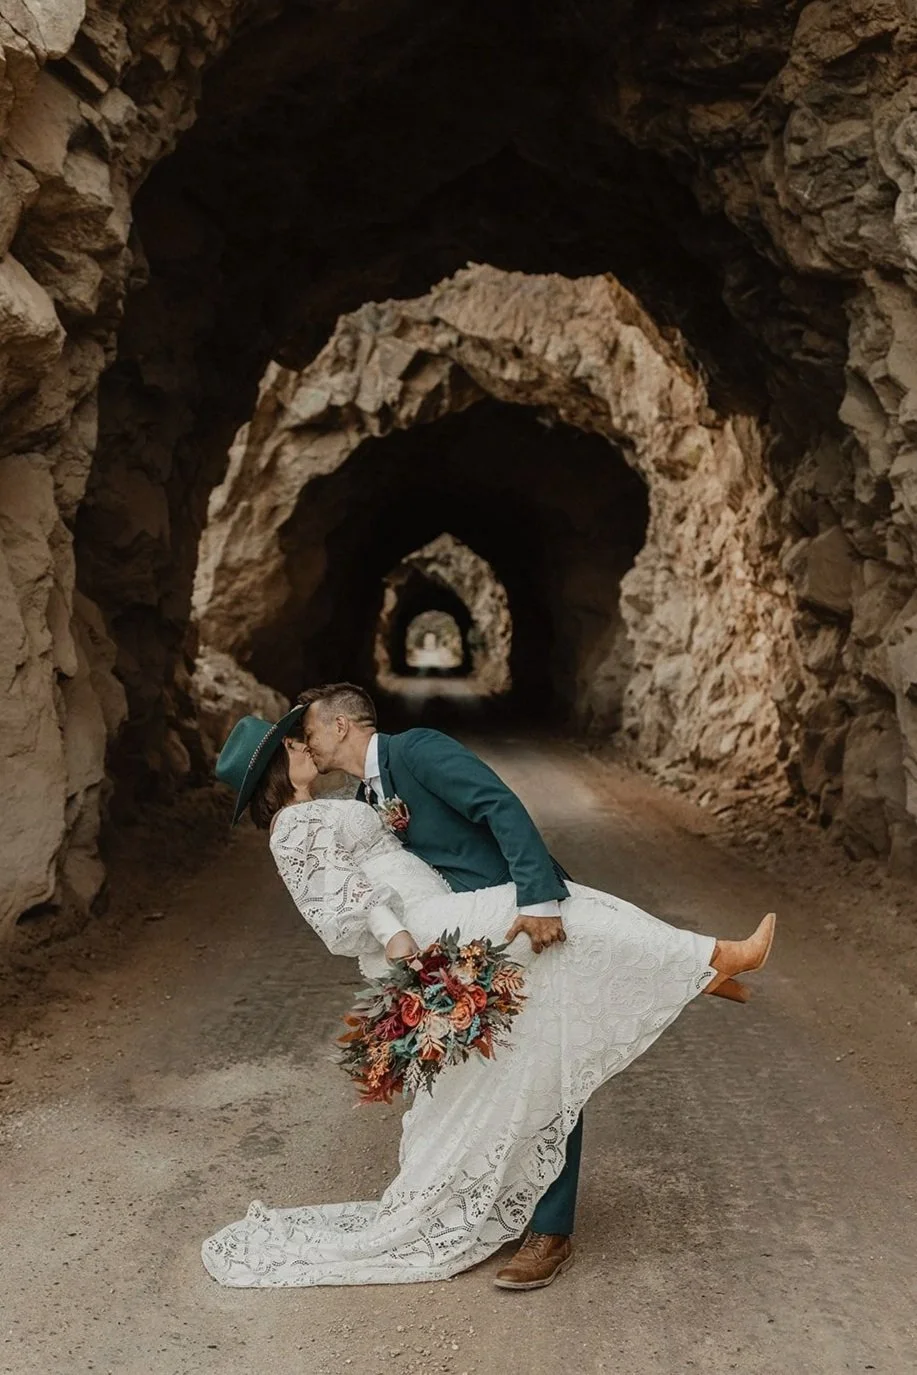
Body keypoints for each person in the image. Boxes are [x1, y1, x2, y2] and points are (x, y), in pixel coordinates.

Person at [202, 695, 774, 1290]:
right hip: (434, 937)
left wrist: (537, 896)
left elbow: (497, 805)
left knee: (550, 1041)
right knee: (510, 1061)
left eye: (304, 735)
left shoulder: (402, 760)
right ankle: (703, 964)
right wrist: (401, 948)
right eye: (292, 745)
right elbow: (343, 897)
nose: (304, 744)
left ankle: (704, 966)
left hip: (481, 912)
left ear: (339, 726)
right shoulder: (305, 820)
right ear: (278, 767)